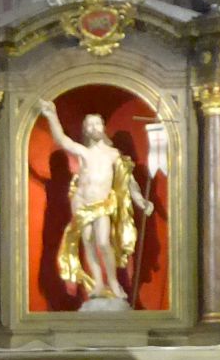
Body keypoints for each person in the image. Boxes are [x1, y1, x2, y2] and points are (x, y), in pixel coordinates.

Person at [37, 98, 151, 303]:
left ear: (103, 127)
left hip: (102, 204)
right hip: (81, 203)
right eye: (89, 125)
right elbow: (62, 140)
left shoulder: (113, 154)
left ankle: (113, 282)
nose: (94, 127)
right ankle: (98, 283)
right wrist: (52, 116)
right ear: (86, 130)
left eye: (97, 123)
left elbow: (128, 180)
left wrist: (140, 200)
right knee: (88, 242)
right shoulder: (84, 152)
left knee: (103, 243)